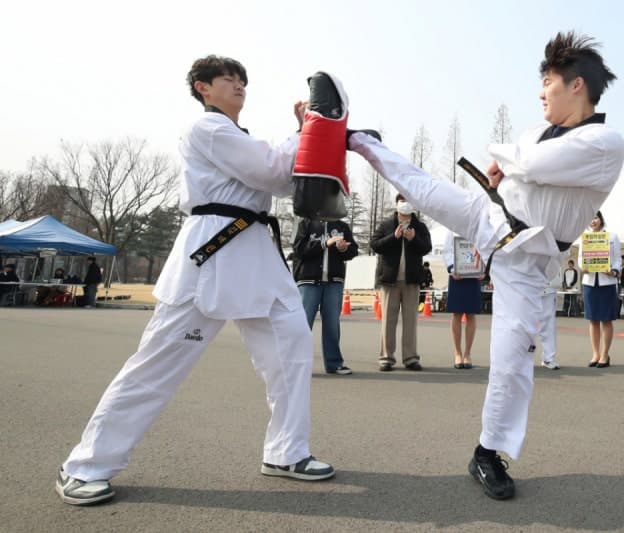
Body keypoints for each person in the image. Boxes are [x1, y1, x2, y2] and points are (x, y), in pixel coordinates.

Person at [349, 31, 624, 499]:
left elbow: (534, 164)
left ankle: (486, 454)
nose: (541, 93)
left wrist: (508, 163)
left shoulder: (605, 141)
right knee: (422, 189)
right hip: (488, 217)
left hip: (526, 259)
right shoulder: (535, 131)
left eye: (549, 83)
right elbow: (525, 165)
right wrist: (504, 172)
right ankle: (358, 141)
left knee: (513, 357)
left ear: (577, 85)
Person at [56, 55, 334, 507]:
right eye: (228, 79)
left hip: (257, 253)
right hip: (213, 250)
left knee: (291, 349)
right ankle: (85, 465)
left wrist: (315, 136)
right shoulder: (208, 129)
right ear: (203, 87)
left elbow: (286, 182)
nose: (240, 85)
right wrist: (303, 130)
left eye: (243, 79)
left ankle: (287, 452)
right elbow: (270, 170)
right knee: (158, 365)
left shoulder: (241, 137)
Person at [370, 194, 432, 371]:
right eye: (402, 201)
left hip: (411, 280)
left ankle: (410, 357)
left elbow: (426, 247)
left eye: (409, 201)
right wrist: (393, 237)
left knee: (410, 321)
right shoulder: (386, 224)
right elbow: (375, 245)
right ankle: (386, 358)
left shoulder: (419, 227)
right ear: (397, 204)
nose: (405, 204)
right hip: (389, 280)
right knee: (387, 321)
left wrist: (414, 239)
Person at [292, 217, 358, 375]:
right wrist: (323, 243)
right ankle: (296, 363)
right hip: (308, 280)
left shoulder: (342, 226)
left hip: (334, 281)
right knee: (303, 324)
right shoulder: (306, 223)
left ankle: (334, 363)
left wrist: (344, 249)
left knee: (332, 324)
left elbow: (353, 250)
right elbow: (299, 249)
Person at [579, 211, 622, 368]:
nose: (593, 221)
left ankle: (605, 354)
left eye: (595, 217)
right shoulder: (585, 237)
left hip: (607, 282)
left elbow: (617, 258)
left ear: (601, 219)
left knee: (606, 320)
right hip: (590, 282)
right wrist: (582, 268)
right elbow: (580, 259)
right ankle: (595, 353)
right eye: (590, 218)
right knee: (593, 320)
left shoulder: (612, 237)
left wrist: (613, 271)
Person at [443, 230, 483, 369]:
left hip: (474, 274)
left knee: (471, 314)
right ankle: (458, 353)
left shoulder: (479, 226)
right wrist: (452, 268)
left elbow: (486, 248)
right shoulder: (451, 227)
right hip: (457, 274)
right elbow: (447, 250)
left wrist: (484, 268)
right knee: (457, 313)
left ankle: (467, 353)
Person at [539, 271, 562, 370]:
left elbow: (563, 255)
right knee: (523, 324)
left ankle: (548, 358)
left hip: (549, 287)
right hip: (526, 286)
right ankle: (520, 359)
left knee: (548, 325)